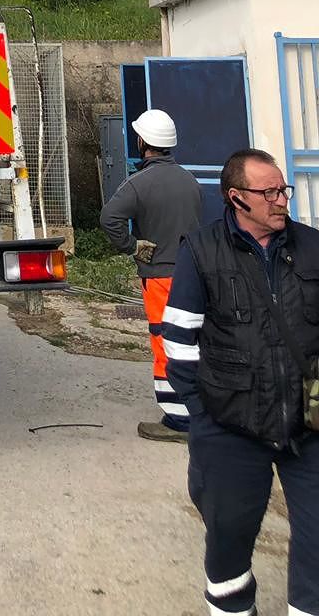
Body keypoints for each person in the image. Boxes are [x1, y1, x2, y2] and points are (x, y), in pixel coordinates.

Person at [163, 149, 319, 616]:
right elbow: (179, 341)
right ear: (236, 198)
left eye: (282, 190)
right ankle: (233, 605)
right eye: (268, 192)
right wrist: (202, 415)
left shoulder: (313, 246)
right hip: (230, 424)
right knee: (228, 532)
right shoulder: (201, 250)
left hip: (310, 420)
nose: (281, 200)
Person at [100, 107, 202, 440]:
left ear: (143, 142)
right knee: (191, 341)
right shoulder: (189, 180)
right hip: (194, 275)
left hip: (159, 276)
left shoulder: (138, 184)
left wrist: (131, 245)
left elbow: (109, 218)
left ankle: (178, 421)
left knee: (164, 341)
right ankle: (199, 410)